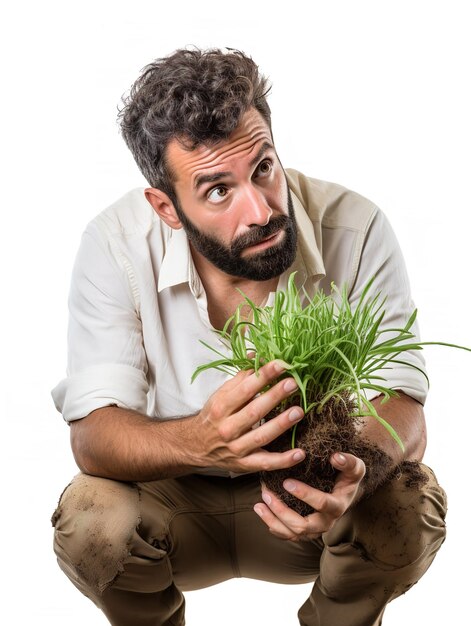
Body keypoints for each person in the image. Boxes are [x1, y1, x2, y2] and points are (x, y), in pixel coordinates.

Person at [51, 48, 447, 626]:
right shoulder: (115, 245)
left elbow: (404, 407)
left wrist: (350, 477)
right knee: (91, 519)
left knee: (409, 505)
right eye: (217, 191)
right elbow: (93, 437)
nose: (260, 209)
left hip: (316, 508)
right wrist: (200, 441)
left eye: (262, 167)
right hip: (177, 503)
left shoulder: (354, 226)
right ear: (166, 206)